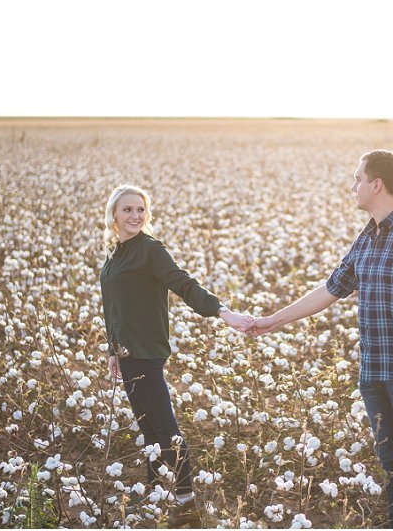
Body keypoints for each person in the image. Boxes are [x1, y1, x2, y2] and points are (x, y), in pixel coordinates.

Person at [248, 150, 393, 528]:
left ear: (377, 184)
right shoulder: (368, 236)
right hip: (373, 373)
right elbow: (330, 289)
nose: (353, 186)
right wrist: (271, 321)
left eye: (357, 179)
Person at [99, 184, 251, 527]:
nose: (135, 215)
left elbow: (184, 284)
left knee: (166, 430)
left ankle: (186, 502)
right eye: (127, 210)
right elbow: (113, 306)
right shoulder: (115, 253)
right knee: (147, 428)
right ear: (113, 215)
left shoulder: (151, 250)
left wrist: (224, 312)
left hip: (147, 353)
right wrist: (112, 349)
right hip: (126, 354)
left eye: (140, 209)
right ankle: (154, 492)